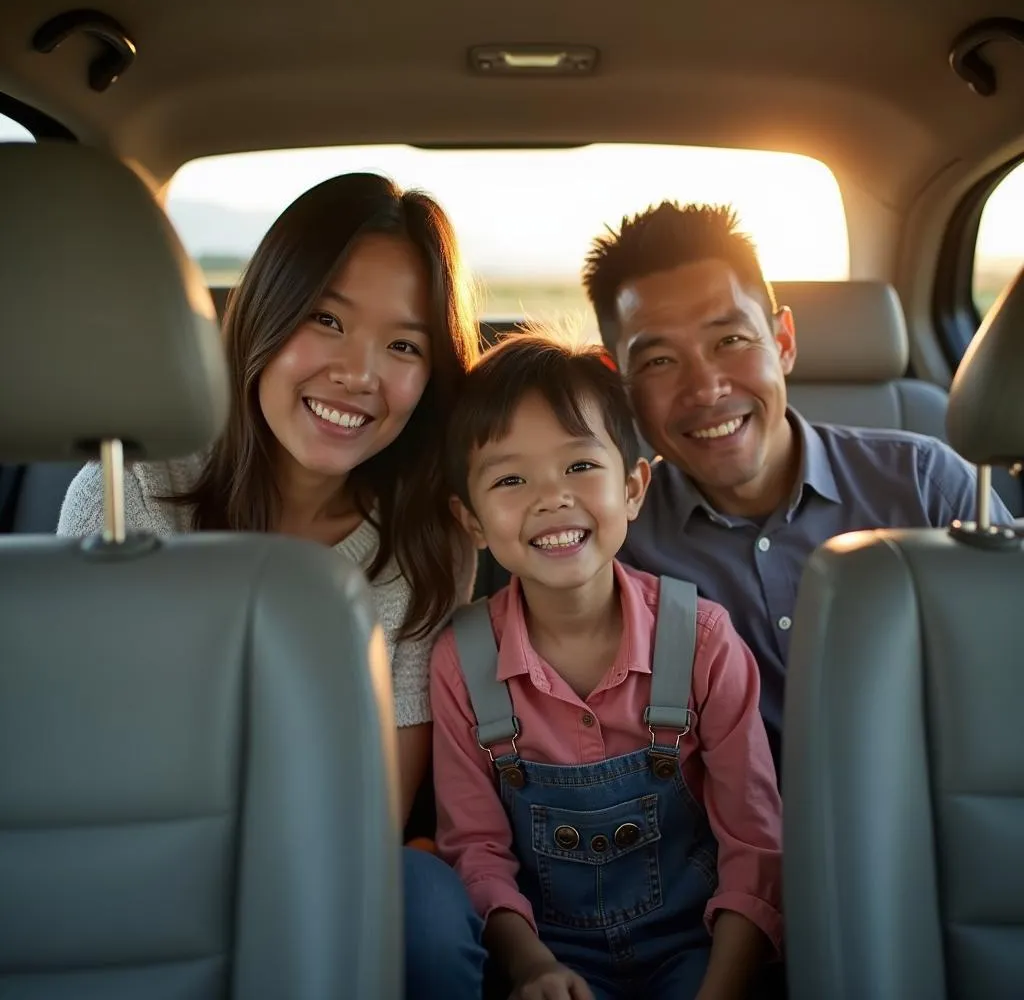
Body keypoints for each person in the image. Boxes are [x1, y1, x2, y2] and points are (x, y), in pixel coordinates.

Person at [57, 171, 487, 998]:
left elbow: (376, 809)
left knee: (425, 908)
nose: (358, 374)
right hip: (129, 855)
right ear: (264, 314)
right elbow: (78, 764)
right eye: (325, 319)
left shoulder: (423, 545)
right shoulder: (130, 496)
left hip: (318, 859)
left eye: (404, 346)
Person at [582, 201, 1015, 770]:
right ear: (622, 384)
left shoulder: (926, 486)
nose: (706, 388)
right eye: (660, 360)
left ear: (783, 341)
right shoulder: (615, 541)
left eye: (731, 341)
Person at [431, 333, 782, 1000]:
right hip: (547, 958)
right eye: (510, 479)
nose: (551, 498)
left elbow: (755, 845)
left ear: (632, 488)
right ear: (470, 520)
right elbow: (475, 851)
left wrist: (721, 989)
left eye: (579, 468)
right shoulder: (462, 663)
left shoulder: (703, 641)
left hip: (699, 951)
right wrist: (531, 966)